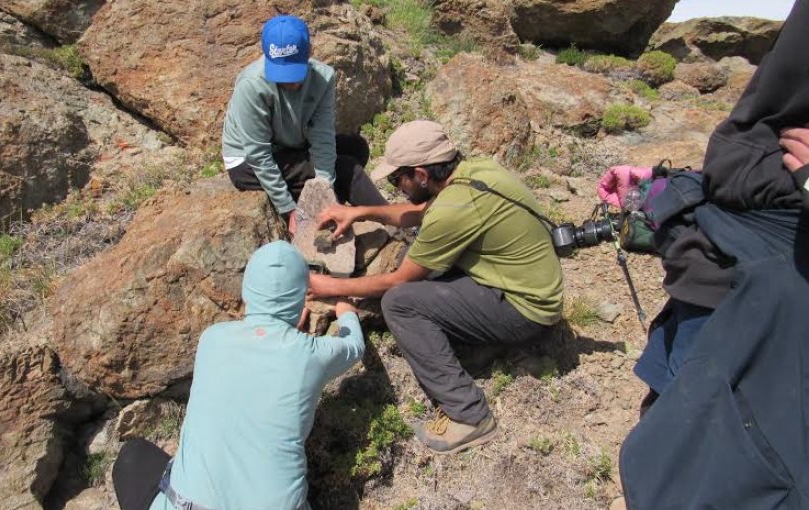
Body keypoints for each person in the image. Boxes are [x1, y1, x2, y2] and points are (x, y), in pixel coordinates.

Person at [612, 0, 809, 506]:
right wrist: (663, 187)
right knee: (668, 425)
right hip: (713, 276)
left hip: (769, 319)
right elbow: (749, 159)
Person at [309, 120, 564, 454]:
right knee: (427, 274)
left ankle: (469, 415)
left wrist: (330, 286)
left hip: (527, 311)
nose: (395, 185)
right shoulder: (473, 172)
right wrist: (360, 212)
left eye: (398, 178)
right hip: (531, 287)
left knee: (401, 303)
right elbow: (419, 212)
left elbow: (397, 281)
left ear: (421, 174)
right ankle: (478, 345)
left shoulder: (452, 211)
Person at [112, 241, 365, 510]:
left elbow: (253, 362)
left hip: (185, 506)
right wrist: (346, 310)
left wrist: (283, 331)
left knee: (132, 455)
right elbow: (354, 346)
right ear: (302, 295)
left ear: (247, 291)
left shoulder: (212, 339)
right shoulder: (312, 355)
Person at [221, 14, 387, 233]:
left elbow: (323, 136)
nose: (290, 81)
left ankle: (330, 206)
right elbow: (258, 153)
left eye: (295, 72)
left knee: (356, 147)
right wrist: (288, 208)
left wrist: (323, 189)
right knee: (347, 169)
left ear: (309, 52)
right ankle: (397, 222)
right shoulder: (252, 85)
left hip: (289, 146)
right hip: (247, 162)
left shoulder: (323, 78)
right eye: (282, 74)